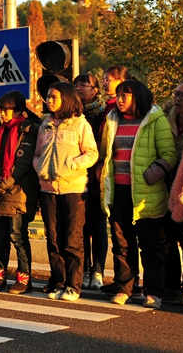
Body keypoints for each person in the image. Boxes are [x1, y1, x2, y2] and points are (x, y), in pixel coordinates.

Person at [98, 80, 176, 308]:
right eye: (118, 94)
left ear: (138, 96)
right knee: (121, 243)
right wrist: (100, 171)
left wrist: (153, 173)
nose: (120, 99)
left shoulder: (155, 119)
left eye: (126, 94)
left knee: (150, 244)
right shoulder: (112, 119)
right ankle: (125, 288)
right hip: (118, 192)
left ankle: (154, 291)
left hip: (146, 193)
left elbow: (169, 155)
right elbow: (104, 153)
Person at [33, 82, 98, 302]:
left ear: (67, 99)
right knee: (53, 239)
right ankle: (59, 282)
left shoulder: (80, 124)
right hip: (48, 190)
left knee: (72, 240)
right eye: (48, 97)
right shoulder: (45, 125)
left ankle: (73, 286)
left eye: (54, 97)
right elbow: (37, 154)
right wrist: (40, 168)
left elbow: (91, 153)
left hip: (74, 190)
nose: (49, 101)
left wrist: (71, 165)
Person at [0, 90, 40, 294]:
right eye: (1, 110)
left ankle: (24, 279)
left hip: (19, 192)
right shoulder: (2, 130)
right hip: (0, 192)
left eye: (7, 110)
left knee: (17, 236)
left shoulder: (28, 130)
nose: (3, 114)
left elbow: (22, 164)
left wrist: (2, 184)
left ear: (18, 110)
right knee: (0, 237)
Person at [73, 73, 108, 290]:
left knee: (98, 226)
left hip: (97, 175)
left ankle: (98, 271)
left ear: (95, 90)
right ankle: (85, 270)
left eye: (84, 84)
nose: (79, 88)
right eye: (76, 84)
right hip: (77, 177)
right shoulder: (72, 114)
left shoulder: (104, 114)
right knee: (82, 227)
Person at [165, 80, 183, 304]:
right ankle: (171, 286)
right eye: (176, 94)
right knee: (167, 237)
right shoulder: (164, 120)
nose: (177, 98)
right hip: (166, 186)